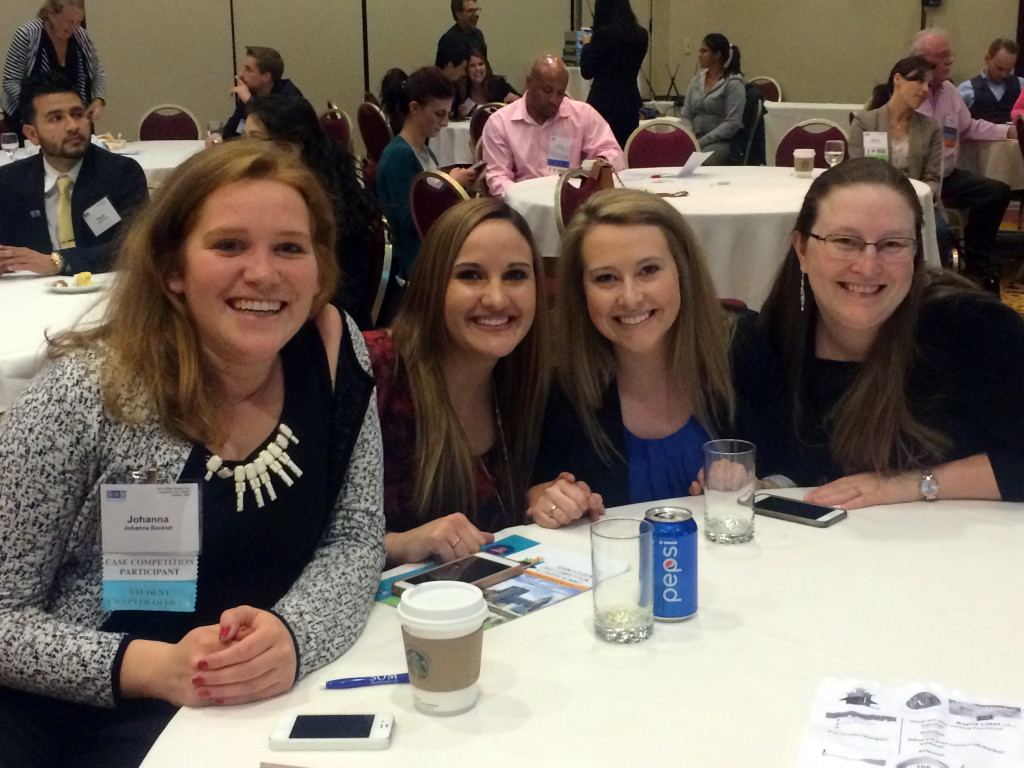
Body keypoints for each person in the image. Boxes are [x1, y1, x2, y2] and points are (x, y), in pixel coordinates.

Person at [0, 140, 385, 767]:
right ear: (172, 268)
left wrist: (295, 635)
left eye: (290, 247)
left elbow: (355, 535)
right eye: (229, 245)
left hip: (259, 703)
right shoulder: (86, 395)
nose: (263, 273)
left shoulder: (337, 356)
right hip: (80, 713)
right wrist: (158, 668)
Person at [738, 158, 1024, 509]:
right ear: (801, 249)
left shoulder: (975, 330)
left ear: (916, 253)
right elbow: (787, 469)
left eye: (892, 244)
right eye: (845, 241)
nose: (868, 266)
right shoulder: (768, 343)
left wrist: (913, 484)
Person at [529, 189, 736, 526]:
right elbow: (538, 496)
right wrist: (545, 501)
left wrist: (760, 484)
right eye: (606, 278)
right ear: (581, 292)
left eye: (648, 270)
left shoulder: (739, 352)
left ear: (683, 271)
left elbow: (792, 473)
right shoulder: (557, 391)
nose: (630, 297)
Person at [363, 198, 549, 565]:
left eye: (515, 275)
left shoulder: (522, 379)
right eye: (470, 275)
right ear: (433, 284)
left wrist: (541, 497)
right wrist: (398, 545)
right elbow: (300, 540)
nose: (497, 298)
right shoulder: (375, 370)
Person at [245, 92, 383, 330]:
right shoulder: (285, 189)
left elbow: (330, 297)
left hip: (326, 327)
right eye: (244, 138)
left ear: (292, 147)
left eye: (255, 139)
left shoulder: (322, 204)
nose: (244, 150)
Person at [0, 71, 147, 276]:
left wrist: (59, 262)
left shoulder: (121, 174)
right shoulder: (8, 182)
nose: (72, 126)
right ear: (32, 134)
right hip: (29, 298)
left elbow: (136, 246)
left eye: (78, 115)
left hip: (102, 291)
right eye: (56, 118)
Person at [911, 28, 1012, 285]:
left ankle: (976, 264)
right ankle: (938, 283)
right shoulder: (909, 94)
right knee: (940, 232)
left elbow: (969, 127)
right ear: (923, 61)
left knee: (996, 191)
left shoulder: (949, 91)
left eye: (949, 54)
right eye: (942, 55)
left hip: (948, 173)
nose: (950, 60)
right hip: (918, 178)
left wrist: (1009, 131)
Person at [377, 67, 477, 321]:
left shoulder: (422, 150)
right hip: (414, 260)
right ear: (414, 108)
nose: (444, 123)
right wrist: (448, 187)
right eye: (439, 114)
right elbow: (411, 221)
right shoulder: (400, 155)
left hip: (430, 249)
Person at [848, 57, 949, 265]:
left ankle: (932, 288)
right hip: (872, 203)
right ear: (898, 79)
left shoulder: (931, 128)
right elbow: (857, 174)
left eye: (928, 84)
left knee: (938, 231)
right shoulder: (865, 123)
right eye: (919, 81)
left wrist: (913, 201)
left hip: (916, 206)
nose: (925, 90)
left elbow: (932, 178)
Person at [480, 55, 624, 199]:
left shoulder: (582, 114)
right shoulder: (500, 122)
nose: (553, 100)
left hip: (574, 203)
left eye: (560, 93)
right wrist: (527, 200)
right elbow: (498, 179)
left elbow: (613, 154)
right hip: (523, 207)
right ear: (529, 83)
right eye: (547, 90)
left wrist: (598, 166)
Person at [2, 0, 105, 143]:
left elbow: (97, 73)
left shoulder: (82, 37)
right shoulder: (27, 34)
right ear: (51, 14)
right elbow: (10, 81)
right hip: (28, 119)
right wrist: (37, 110)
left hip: (73, 120)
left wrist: (98, 100)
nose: (74, 27)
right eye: (69, 21)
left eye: (78, 22)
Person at [580, 0, 649, 148]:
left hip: (603, 102)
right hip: (630, 103)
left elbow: (587, 71)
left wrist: (586, 45)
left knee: (602, 151)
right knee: (625, 150)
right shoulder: (641, 35)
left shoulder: (602, 35)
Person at [207, 46, 302, 144]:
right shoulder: (252, 93)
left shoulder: (290, 98)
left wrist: (250, 101)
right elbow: (232, 131)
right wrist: (218, 138)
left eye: (248, 70)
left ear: (266, 76)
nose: (240, 74)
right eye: (242, 68)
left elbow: (274, 136)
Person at [679, 33, 745, 166]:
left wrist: (703, 141)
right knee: (669, 155)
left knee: (697, 163)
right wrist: (690, 137)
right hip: (694, 137)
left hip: (720, 142)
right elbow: (686, 113)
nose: (699, 55)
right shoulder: (696, 80)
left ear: (717, 55)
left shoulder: (733, 83)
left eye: (704, 51)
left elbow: (732, 123)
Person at [957, 38, 1023, 123]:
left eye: (1009, 70)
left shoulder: (1021, 86)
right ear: (987, 59)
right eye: (1000, 68)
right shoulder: (967, 89)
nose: (1004, 74)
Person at [463, 49, 519, 115]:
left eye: (481, 64)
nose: (478, 68)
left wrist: (515, 102)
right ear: (466, 71)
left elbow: (522, 102)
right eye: (472, 65)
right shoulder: (461, 91)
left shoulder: (499, 84)